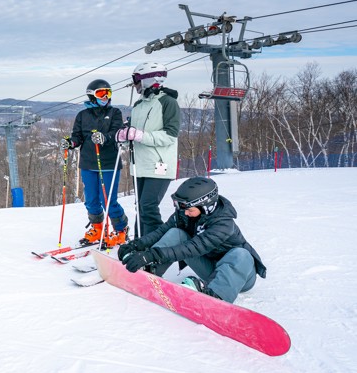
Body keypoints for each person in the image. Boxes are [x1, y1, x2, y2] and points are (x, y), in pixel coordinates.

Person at [117, 176, 266, 303]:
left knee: (241, 254)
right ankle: (150, 269)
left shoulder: (223, 224)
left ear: (206, 207)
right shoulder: (184, 213)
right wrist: (136, 245)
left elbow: (194, 247)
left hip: (239, 276)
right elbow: (161, 232)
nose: (186, 213)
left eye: (190, 210)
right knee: (175, 232)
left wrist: (152, 254)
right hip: (210, 269)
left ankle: (217, 296)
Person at [60, 79, 128, 247]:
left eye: (108, 93)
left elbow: (117, 133)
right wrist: (71, 143)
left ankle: (120, 230)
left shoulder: (114, 113)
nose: (106, 96)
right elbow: (78, 136)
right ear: (92, 96)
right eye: (101, 93)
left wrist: (105, 137)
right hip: (88, 163)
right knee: (91, 200)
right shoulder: (82, 116)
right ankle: (97, 228)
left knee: (107, 201)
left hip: (108, 162)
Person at [116, 62, 180, 237]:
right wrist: (125, 136)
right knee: (141, 206)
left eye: (136, 79)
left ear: (148, 79)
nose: (135, 84)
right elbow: (135, 135)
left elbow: (170, 136)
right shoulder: (139, 105)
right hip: (140, 165)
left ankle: (156, 248)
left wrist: (139, 135)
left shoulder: (168, 102)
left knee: (149, 207)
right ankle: (140, 243)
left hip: (159, 165)